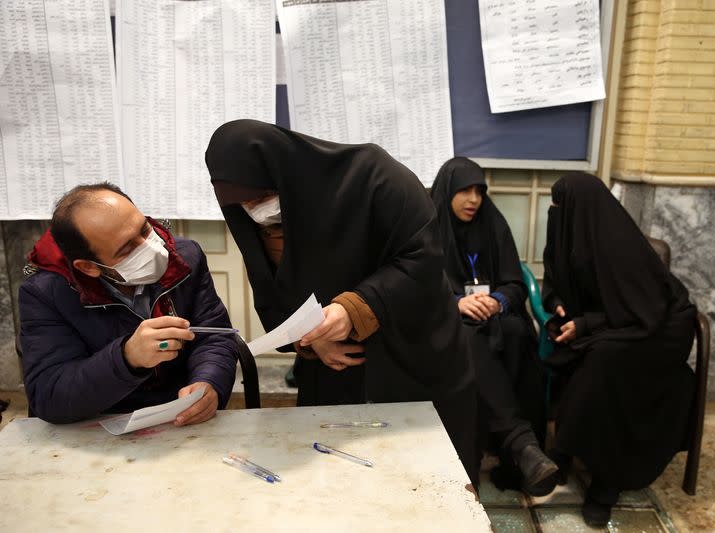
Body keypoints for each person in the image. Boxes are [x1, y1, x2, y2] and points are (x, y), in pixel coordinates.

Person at [205, 120, 481, 486]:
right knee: (340, 488)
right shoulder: (255, 221)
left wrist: (354, 309)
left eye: (259, 197)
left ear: (284, 170)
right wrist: (310, 339)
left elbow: (423, 258)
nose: (253, 210)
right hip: (335, 371)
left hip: (413, 361)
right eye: (241, 204)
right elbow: (274, 297)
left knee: (426, 485)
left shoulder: (374, 176)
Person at [542, 172, 696, 526]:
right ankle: (565, 450)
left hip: (659, 332)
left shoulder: (618, 244)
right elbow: (555, 281)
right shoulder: (572, 239)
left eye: (559, 204)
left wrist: (585, 325)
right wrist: (560, 304)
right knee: (588, 355)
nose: (554, 212)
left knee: (605, 363)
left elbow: (642, 312)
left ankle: (604, 481)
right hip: (619, 324)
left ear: (580, 209)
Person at [19, 183, 238, 425]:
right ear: (89, 267)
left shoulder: (184, 259)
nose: (151, 248)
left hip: (177, 414)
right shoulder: (46, 294)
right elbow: (49, 395)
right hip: (102, 424)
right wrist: (126, 358)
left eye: (144, 230)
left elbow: (215, 334)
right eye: (127, 249)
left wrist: (208, 382)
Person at [430, 157, 556, 496]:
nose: (474, 200)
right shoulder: (428, 229)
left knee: (516, 334)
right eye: (465, 191)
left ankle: (515, 457)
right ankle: (521, 444)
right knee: (469, 338)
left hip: (495, 319)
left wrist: (497, 300)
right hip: (448, 325)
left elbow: (515, 283)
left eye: (479, 191)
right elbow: (420, 288)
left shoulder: (493, 224)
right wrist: (457, 302)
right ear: (447, 192)